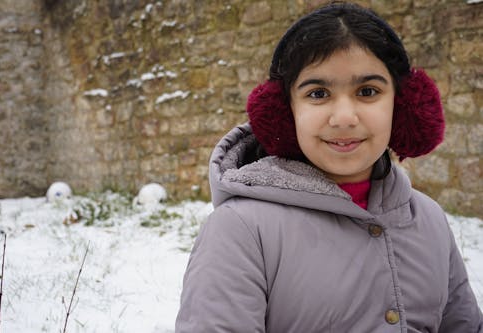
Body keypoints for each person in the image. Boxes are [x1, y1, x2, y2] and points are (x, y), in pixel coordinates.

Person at [175, 2, 483, 332]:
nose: (344, 118)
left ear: (403, 105)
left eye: (368, 91)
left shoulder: (429, 219)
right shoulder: (240, 231)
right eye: (318, 93)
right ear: (284, 112)